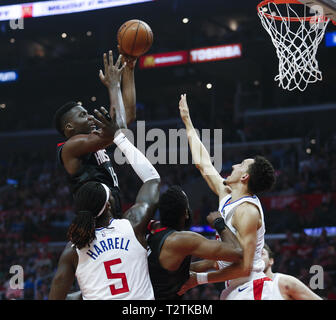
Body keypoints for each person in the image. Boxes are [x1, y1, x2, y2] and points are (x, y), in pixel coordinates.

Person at [177, 93, 276, 300]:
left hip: (252, 288)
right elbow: (203, 164)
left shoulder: (247, 212)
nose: (233, 165)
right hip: (236, 289)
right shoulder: (227, 195)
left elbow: (245, 267)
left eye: (240, 165)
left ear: (245, 177)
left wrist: (198, 279)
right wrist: (187, 121)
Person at [49, 128, 161, 300]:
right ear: (109, 204)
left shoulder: (73, 249)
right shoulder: (132, 225)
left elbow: (56, 296)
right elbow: (152, 179)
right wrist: (119, 137)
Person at [53, 51, 136, 217]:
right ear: (69, 127)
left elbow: (129, 114)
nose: (90, 116)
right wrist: (113, 86)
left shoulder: (95, 139)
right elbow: (118, 127)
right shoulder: (71, 147)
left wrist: (129, 69)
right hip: (96, 220)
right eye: (83, 115)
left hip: (112, 210)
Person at [147, 187, 243, 300]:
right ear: (186, 213)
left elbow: (166, 272)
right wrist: (219, 223)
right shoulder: (181, 240)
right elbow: (238, 253)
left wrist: (209, 264)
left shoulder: (148, 230)